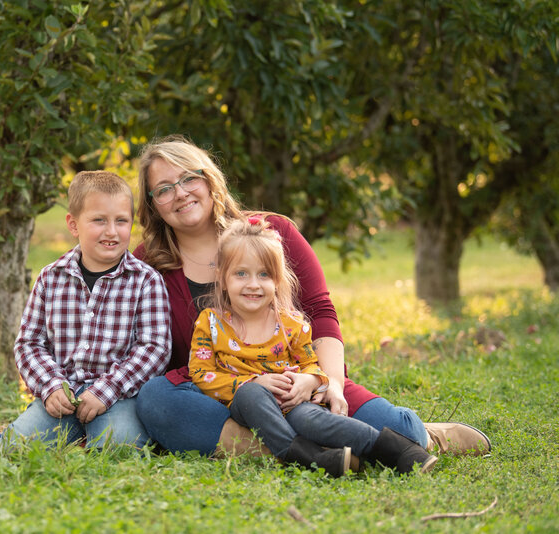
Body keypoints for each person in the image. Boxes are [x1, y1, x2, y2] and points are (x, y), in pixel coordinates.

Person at [133, 135, 491, 458]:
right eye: (164, 189)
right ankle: (308, 450)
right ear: (153, 204)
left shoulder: (274, 233)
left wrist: (328, 383)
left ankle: (395, 439)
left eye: (188, 178)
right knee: (156, 400)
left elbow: (321, 312)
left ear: (209, 180)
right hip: (218, 393)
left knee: (404, 432)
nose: (180, 193)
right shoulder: (145, 264)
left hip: (299, 387)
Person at [188, 217, 436, 476]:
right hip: (247, 407)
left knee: (312, 419)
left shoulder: (291, 324)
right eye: (241, 273)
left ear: (277, 280)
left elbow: (310, 365)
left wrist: (310, 382)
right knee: (251, 395)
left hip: (291, 401)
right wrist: (250, 383)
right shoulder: (211, 323)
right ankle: (304, 456)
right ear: (222, 278)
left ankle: (397, 449)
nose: (253, 284)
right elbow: (200, 373)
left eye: (264, 274)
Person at [0, 170, 171, 453]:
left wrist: (106, 391)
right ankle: (23, 437)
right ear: (73, 224)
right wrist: (50, 386)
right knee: (14, 450)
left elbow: (154, 348)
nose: (111, 231)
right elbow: (29, 344)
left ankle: (89, 437)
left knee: (121, 447)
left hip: (117, 397)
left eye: (121, 221)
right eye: (99, 220)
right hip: (61, 397)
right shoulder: (50, 278)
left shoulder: (146, 281)